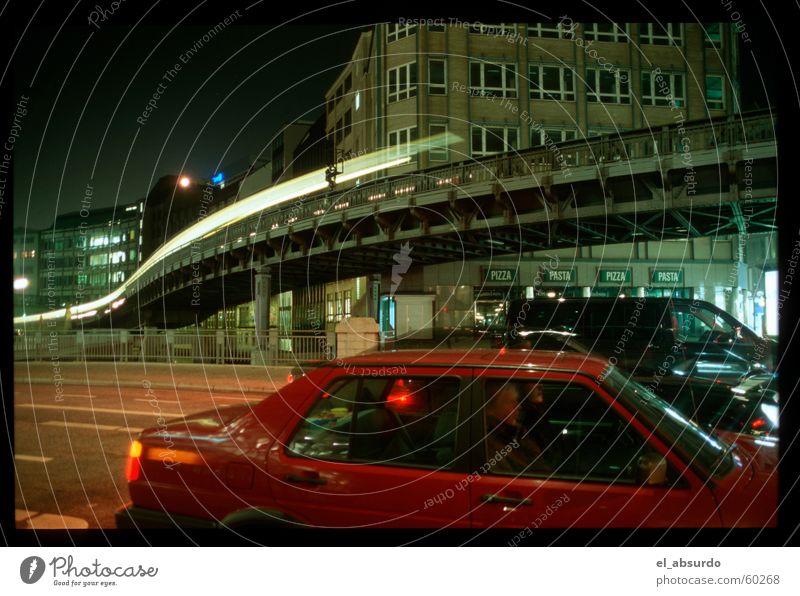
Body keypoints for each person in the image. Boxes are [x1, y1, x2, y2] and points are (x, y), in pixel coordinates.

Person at [484, 382, 551, 475]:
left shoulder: (514, 434)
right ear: (492, 409)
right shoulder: (490, 444)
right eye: (513, 402)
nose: (519, 407)